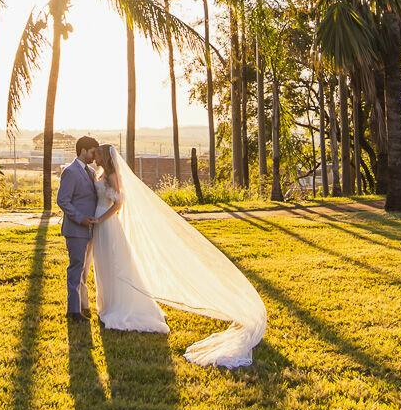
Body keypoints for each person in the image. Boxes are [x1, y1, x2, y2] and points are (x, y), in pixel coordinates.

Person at [83, 143, 268, 368]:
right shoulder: (98, 173)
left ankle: (120, 308)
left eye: (99, 153)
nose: (96, 156)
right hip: (98, 224)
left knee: (115, 265)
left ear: (105, 157)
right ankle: (106, 305)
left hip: (108, 224)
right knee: (103, 267)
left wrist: (101, 219)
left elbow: (120, 203)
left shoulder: (112, 176)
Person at [56, 135, 101, 319]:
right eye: (92, 152)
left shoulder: (91, 172)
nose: (94, 156)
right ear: (83, 150)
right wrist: (80, 218)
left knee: (85, 270)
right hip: (76, 229)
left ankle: (84, 306)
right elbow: (62, 201)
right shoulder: (71, 171)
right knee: (76, 268)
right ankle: (73, 311)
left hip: (90, 230)